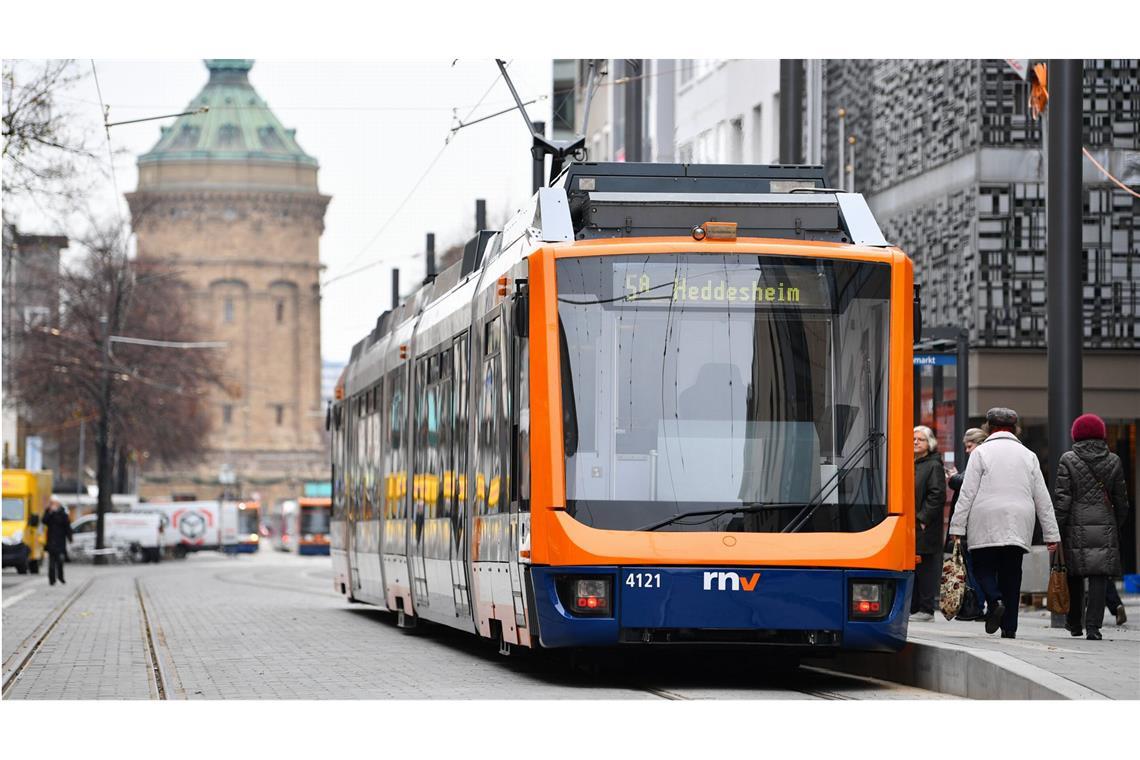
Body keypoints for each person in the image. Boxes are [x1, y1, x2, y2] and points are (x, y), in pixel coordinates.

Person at [948, 407, 1060, 639]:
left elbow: (967, 493)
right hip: (1019, 520)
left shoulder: (981, 453)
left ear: (988, 428)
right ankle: (1010, 628)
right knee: (1012, 573)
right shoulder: (1029, 455)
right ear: (1015, 429)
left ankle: (994, 599)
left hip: (985, 518)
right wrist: (1051, 535)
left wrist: (956, 528)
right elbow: (1042, 497)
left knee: (982, 567)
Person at [1054, 413, 1131, 641]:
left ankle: (1074, 623)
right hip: (1105, 522)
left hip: (1075, 525)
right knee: (1099, 576)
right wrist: (1115, 523)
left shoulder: (1068, 459)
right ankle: (1093, 628)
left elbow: (1062, 498)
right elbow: (1122, 500)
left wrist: (1056, 526)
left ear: (1076, 434)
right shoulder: (1114, 460)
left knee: (1075, 574)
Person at [945, 427, 989, 621]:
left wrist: (953, 477)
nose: (967, 450)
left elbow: (961, 483)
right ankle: (977, 605)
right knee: (973, 567)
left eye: (970, 446)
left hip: (973, 525)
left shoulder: (979, 460)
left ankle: (976, 605)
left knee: (973, 567)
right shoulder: (977, 460)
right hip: (975, 524)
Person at [910, 425, 945, 622]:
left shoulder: (933, 465)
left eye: (920, 439)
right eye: (913, 439)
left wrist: (923, 519)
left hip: (924, 526)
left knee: (925, 569)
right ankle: (914, 608)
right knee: (913, 568)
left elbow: (937, 495)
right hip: (911, 526)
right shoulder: (913, 463)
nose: (915, 442)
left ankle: (926, 609)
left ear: (929, 444)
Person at [42, 500, 73, 586]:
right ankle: (52, 580)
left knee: (60, 561)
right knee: (51, 563)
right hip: (51, 541)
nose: (54, 506)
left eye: (55, 504)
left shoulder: (63, 514)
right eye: (52, 504)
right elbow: (44, 521)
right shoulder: (49, 512)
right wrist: (50, 512)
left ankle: (60, 577)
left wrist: (70, 538)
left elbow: (67, 527)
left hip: (60, 541)